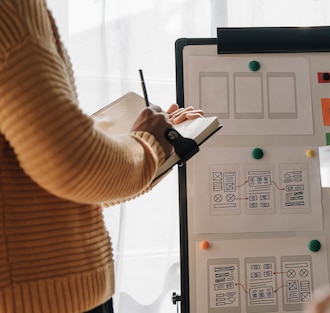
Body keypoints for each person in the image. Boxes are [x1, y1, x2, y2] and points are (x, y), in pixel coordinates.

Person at [0, 0, 202, 312]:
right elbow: (71, 165)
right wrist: (148, 143)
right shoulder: (12, 10)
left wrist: (157, 145)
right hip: (40, 299)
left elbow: (44, 178)